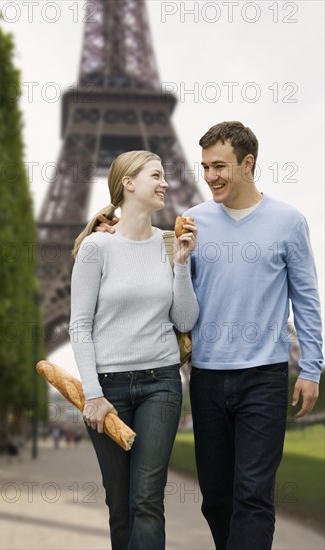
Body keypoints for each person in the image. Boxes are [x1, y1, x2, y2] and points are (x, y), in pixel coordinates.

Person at [97, 122, 323, 550]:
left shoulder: (289, 222)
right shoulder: (193, 222)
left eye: (219, 166)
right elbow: (163, 269)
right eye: (204, 167)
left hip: (265, 376)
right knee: (217, 500)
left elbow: (307, 299)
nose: (210, 176)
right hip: (206, 379)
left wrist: (311, 367)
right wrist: (115, 236)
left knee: (253, 496)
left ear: (248, 163)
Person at [68, 150, 199, 550]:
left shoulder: (168, 242)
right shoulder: (96, 247)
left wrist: (180, 263)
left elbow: (186, 320)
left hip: (161, 383)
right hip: (107, 390)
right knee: (120, 505)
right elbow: (80, 325)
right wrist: (93, 394)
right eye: (156, 175)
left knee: (146, 500)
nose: (165, 183)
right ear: (128, 183)